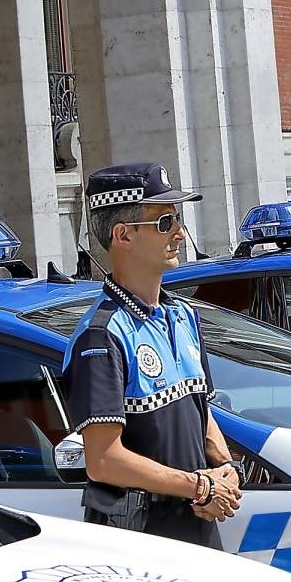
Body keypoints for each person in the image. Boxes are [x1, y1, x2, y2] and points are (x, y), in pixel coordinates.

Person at [62, 163, 241, 549]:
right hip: (141, 539)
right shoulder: (102, 334)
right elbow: (104, 460)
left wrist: (224, 468)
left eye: (177, 220)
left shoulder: (183, 316)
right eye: (163, 223)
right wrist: (198, 486)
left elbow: (201, 411)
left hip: (195, 525)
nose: (179, 233)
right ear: (123, 235)